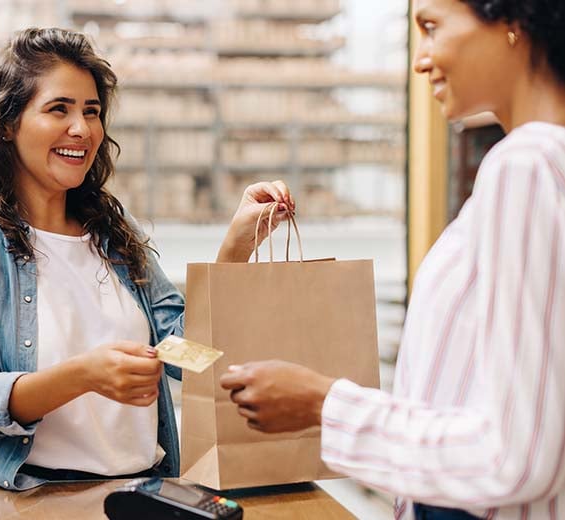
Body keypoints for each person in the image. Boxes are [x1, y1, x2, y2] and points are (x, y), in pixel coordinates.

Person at [220, 0, 565, 518]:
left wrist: (322, 402)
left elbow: (514, 456)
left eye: (431, 28)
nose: (420, 59)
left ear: (513, 23)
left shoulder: (527, 164)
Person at [0, 27, 294, 491]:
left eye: (92, 111)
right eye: (59, 109)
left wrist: (237, 248)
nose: (81, 129)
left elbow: (188, 355)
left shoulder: (116, 235)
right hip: (32, 497)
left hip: (143, 492)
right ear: (8, 123)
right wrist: (84, 374)